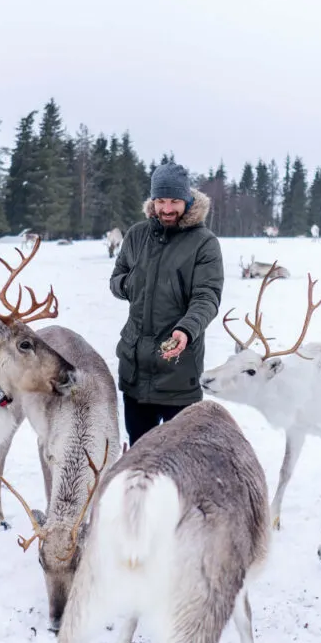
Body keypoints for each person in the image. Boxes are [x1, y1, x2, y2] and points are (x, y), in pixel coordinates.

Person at [110, 162, 224, 445]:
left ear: (187, 200)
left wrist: (186, 329)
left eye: (174, 201)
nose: (167, 208)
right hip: (135, 370)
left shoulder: (204, 243)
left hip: (178, 370)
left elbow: (207, 296)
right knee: (139, 451)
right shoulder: (136, 235)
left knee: (180, 457)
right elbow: (116, 281)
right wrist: (131, 283)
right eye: (161, 201)